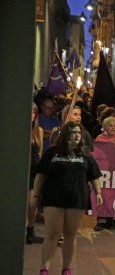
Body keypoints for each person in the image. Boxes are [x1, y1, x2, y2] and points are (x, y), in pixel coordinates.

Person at [32, 122, 103, 275]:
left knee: (70, 234)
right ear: (65, 135)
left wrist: (98, 193)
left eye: (79, 132)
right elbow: (40, 175)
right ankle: (44, 268)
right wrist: (35, 195)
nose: (77, 135)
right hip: (53, 198)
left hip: (76, 199)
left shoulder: (85, 155)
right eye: (73, 132)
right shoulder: (53, 153)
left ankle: (66, 268)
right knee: (52, 234)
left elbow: (94, 176)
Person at [26, 103, 44, 244]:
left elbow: (39, 152)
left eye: (34, 112)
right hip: (23, 170)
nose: (31, 115)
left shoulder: (39, 131)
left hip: (34, 170)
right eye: (29, 112)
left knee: (32, 203)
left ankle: (30, 228)